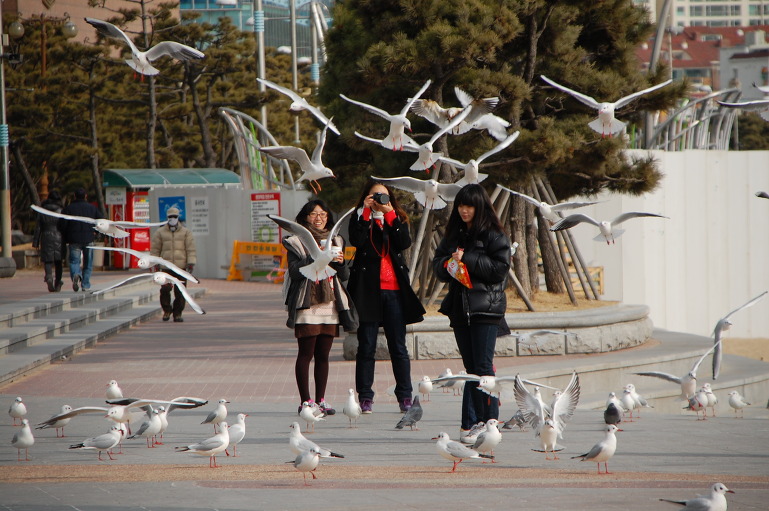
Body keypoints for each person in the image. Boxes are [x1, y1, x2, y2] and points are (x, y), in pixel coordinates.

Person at [432, 184, 511, 442]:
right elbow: (439, 266)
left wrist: (467, 259)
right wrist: (449, 263)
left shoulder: (494, 235)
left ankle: (486, 423)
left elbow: (499, 269)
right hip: (460, 309)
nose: (464, 211)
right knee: (470, 369)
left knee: (483, 368)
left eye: (469, 206)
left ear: (480, 207)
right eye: (461, 206)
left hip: (486, 309)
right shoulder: (454, 235)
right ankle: (471, 424)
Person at [348, 179, 425, 414]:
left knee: (398, 347)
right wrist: (366, 213)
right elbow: (357, 241)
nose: (380, 200)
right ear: (366, 197)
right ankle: (365, 397)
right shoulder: (359, 216)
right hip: (367, 291)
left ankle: (405, 396)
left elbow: (403, 243)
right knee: (366, 347)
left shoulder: (397, 217)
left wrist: (390, 214)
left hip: (394, 291)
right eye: (375, 196)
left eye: (384, 196)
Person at [282, 199, 358, 415]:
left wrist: (340, 262)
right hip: (307, 302)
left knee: (324, 354)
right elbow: (295, 272)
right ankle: (306, 401)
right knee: (306, 353)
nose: (319, 218)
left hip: (330, 303)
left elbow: (343, 276)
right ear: (306, 217)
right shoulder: (296, 241)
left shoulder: (336, 240)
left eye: (323, 214)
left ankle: (321, 400)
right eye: (314, 214)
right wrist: (314, 260)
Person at [150, 207, 197, 322]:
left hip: (180, 267)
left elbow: (190, 249)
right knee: (165, 290)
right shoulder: (160, 232)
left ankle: (177, 313)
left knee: (180, 291)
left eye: (174, 217)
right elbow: (155, 249)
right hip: (165, 267)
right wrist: (154, 263)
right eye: (170, 217)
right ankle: (167, 310)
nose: (172, 219)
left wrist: (191, 263)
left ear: (178, 218)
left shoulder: (186, 232)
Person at [61, 188, 100, 291]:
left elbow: (62, 224)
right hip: (89, 238)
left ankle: (76, 274)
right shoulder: (92, 208)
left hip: (73, 239)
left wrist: (66, 235)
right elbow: (100, 221)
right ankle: (85, 284)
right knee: (88, 262)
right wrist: (97, 232)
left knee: (74, 261)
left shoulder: (69, 209)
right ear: (86, 196)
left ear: (74, 196)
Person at [32, 191, 65, 292]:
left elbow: (38, 227)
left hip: (46, 236)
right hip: (59, 236)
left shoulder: (42, 211)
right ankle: (58, 281)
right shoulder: (61, 210)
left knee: (48, 260)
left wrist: (36, 242)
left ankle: (49, 277)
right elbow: (64, 225)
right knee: (59, 261)